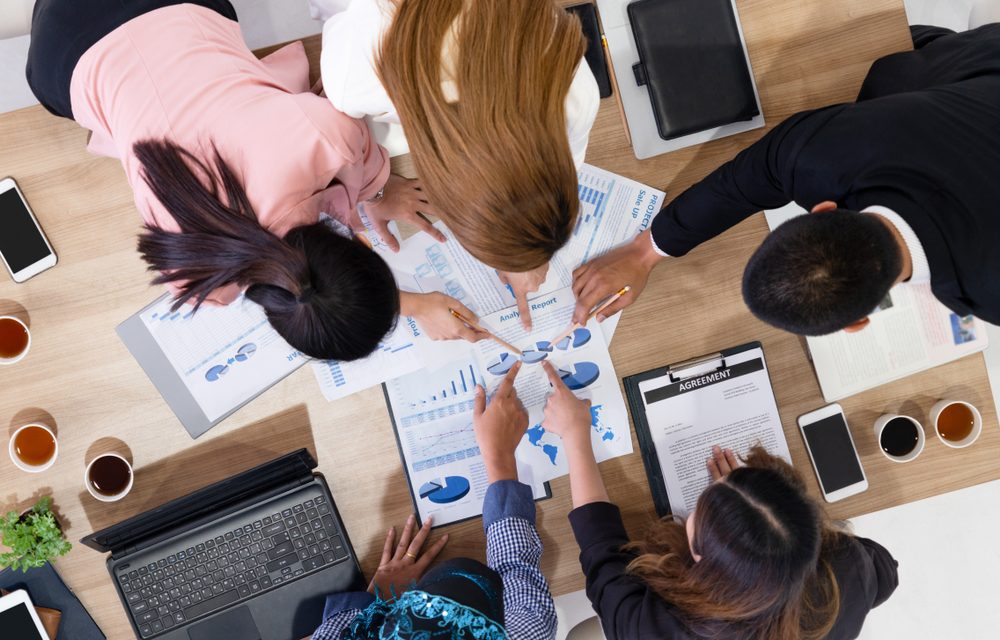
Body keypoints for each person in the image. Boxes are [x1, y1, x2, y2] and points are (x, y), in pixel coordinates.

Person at [25, 0, 485, 362]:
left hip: (164, 8)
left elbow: (349, 142)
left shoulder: (324, 141)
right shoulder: (194, 278)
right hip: (60, 54)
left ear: (357, 244)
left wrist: (377, 189)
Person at [572, 23, 1000, 336]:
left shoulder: (988, 294)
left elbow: (745, 183)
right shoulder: (824, 153)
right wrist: (643, 252)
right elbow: (745, 180)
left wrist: (646, 252)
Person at [538, 361, 898, 639]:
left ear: (701, 560)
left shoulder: (655, 631)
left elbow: (604, 562)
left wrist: (574, 435)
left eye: (701, 513)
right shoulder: (851, 570)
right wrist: (744, 513)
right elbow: (888, 572)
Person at [309, 0, 601, 330]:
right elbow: (335, 118)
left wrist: (526, 247)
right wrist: (373, 189)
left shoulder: (569, 91)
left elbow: (547, 174)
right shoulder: (359, 75)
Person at [311, 362, 557, 639]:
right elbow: (515, 567)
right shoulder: (528, 629)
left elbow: (337, 630)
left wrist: (378, 598)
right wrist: (499, 458)